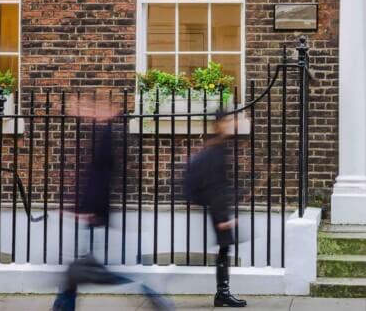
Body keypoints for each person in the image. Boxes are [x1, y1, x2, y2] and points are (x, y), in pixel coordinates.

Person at [53, 94, 174, 311]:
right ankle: (62, 306)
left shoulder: (107, 137)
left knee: (96, 272)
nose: (90, 112)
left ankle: (150, 293)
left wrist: (86, 210)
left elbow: (100, 177)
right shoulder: (102, 135)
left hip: (96, 216)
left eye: (95, 109)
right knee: (76, 271)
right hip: (95, 214)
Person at [185, 111, 247, 308]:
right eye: (229, 121)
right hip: (218, 208)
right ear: (219, 124)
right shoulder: (216, 150)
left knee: (225, 247)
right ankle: (223, 293)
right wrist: (222, 217)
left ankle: (223, 292)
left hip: (220, 207)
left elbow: (221, 183)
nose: (232, 124)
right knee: (224, 247)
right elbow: (214, 185)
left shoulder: (218, 147)